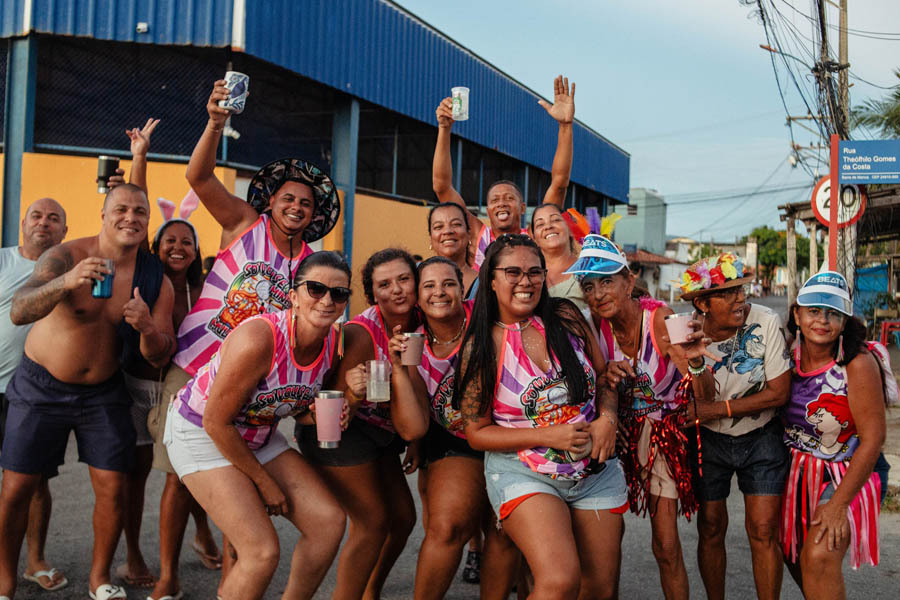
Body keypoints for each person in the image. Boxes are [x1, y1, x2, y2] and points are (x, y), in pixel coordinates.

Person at [0, 183, 175, 600]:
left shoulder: (154, 279)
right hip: (40, 385)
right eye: (121, 209)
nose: (130, 218)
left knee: (113, 487)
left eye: (140, 212)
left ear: (147, 221)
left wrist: (147, 327)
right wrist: (65, 282)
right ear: (103, 215)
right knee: (17, 487)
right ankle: (5, 580)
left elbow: (159, 354)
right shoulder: (65, 255)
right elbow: (20, 309)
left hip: (103, 390)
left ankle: (99, 579)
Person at [166, 251, 349, 600]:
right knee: (261, 553)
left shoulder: (332, 343)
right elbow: (215, 421)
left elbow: (289, 404)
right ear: (294, 296)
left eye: (338, 293)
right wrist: (264, 484)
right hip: (200, 433)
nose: (327, 300)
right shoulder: (259, 339)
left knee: (328, 522)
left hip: (256, 434)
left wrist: (319, 415)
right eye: (316, 289)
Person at [454, 234, 626, 600]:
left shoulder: (566, 316)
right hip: (523, 472)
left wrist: (607, 419)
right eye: (513, 272)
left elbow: (605, 377)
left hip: (594, 470)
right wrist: (548, 437)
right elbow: (477, 434)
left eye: (534, 272)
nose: (526, 281)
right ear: (492, 279)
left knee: (599, 589)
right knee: (560, 580)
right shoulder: (482, 345)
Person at [568, 234, 713, 600]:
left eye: (607, 282)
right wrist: (607, 379)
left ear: (629, 281)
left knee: (665, 546)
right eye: (589, 285)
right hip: (614, 436)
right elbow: (592, 385)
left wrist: (695, 362)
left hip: (662, 439)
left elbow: (705, 396)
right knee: (603, 544)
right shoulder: (592, 328)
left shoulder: (661, 321)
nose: (598, 293)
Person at [296, 248, 419, 600]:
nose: (396, 290)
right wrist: (352, 391)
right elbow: (328, 414)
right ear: (371, 294)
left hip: (381, 432)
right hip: (340, 433)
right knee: (372, 524)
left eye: (404, 279)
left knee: (403, 519)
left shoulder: (420, 326)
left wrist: (415, 438)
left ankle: (371, 589)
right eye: (384, 284)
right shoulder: (360, 333)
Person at [387, 256, 509, 599]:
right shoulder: (413, 341)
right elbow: (417, 414)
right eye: (428, 285)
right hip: (453, 439)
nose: (439, 292)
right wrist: (399, 369)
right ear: (417, 296)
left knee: (503, 532)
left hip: (508, 431)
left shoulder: (486, 321)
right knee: (447, 526)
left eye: (448, 284)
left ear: (462, 289)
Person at [679, 252, 791, 600]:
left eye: (741, 289)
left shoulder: (766, 321)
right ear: (703, 303)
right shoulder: (685, 330)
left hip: (761, 435)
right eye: (728, 293)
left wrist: (719, 409)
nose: (740, 298)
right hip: (708, 440)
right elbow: (699, 399)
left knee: (762, 530)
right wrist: (696, 361)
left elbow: (779, 393)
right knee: (711, 527)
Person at [781, 271, 885, 599]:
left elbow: (873, 439)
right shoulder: (784, 356)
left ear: (844, 320)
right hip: (798, 470)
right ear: (797, 314)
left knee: (820, 555)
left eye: (833, 313)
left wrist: (839, 504)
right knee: (793, 553)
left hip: (850, 471)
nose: (823, 320)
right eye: (814, 311)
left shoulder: (857, 363)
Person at [145, 193, 223, 600]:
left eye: (186, 242)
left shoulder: (208, 286)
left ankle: (204, 532)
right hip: (156, 386)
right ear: (156, 247)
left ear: (197, 251)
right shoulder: (148, 280)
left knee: (199, 470)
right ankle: (167, 575)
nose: (178, 247)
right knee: (176, 476)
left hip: (205, 384)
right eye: (169, 241)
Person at [433, 75, 575, 270]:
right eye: (494, 200)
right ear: (488, 210)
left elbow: (559, 183)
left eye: (509, 198)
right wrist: (444, 129)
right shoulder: (477, 236)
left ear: (523, 207)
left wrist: (565, 126)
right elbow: (441, 187)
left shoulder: (536, 237)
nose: (501, 203)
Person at [0, 198, 69, 595]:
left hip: (34, 395)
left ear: (64, 230)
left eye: (54, 218)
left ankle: (34, 560)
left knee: (35, 483)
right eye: (37, 216)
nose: (44, 223)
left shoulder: (68, 266)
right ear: (22, 223)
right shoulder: (5, 261)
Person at [531, 204, 584, 309]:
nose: (548, 227)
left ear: (570, 228)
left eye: (555, 220)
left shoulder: (588, 270)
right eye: (540, 224)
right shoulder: (529, 277)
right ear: (534, 239)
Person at [427, 203, 479, 298]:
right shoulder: (416, 277)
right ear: (431, 238)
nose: (447, 231)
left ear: (468, 234)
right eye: (439, 227)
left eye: (456, 224)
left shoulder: (485, 283)